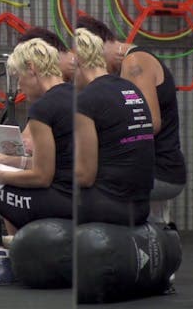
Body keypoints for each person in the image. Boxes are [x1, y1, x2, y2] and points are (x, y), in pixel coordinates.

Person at [0, 38, 75, 286]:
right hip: (80, 197)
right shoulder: (77, 96)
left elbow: (42, 176)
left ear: (32, 68)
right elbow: (58, 161)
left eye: (19, 76)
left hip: (59, 201)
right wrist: (12, 160)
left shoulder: (44, 107)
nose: (19, 85)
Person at [75, 16, 186, 226]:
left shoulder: (134, 62)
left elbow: (149, 122)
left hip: (159, 170)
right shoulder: (127, 67)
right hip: (152, 167)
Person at [73, 28, 155, 226]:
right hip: (141, 206)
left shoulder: (86, 100)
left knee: (35, 192)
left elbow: (85, 176)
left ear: (79, 64)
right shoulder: (130, 88)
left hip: (108, 205)